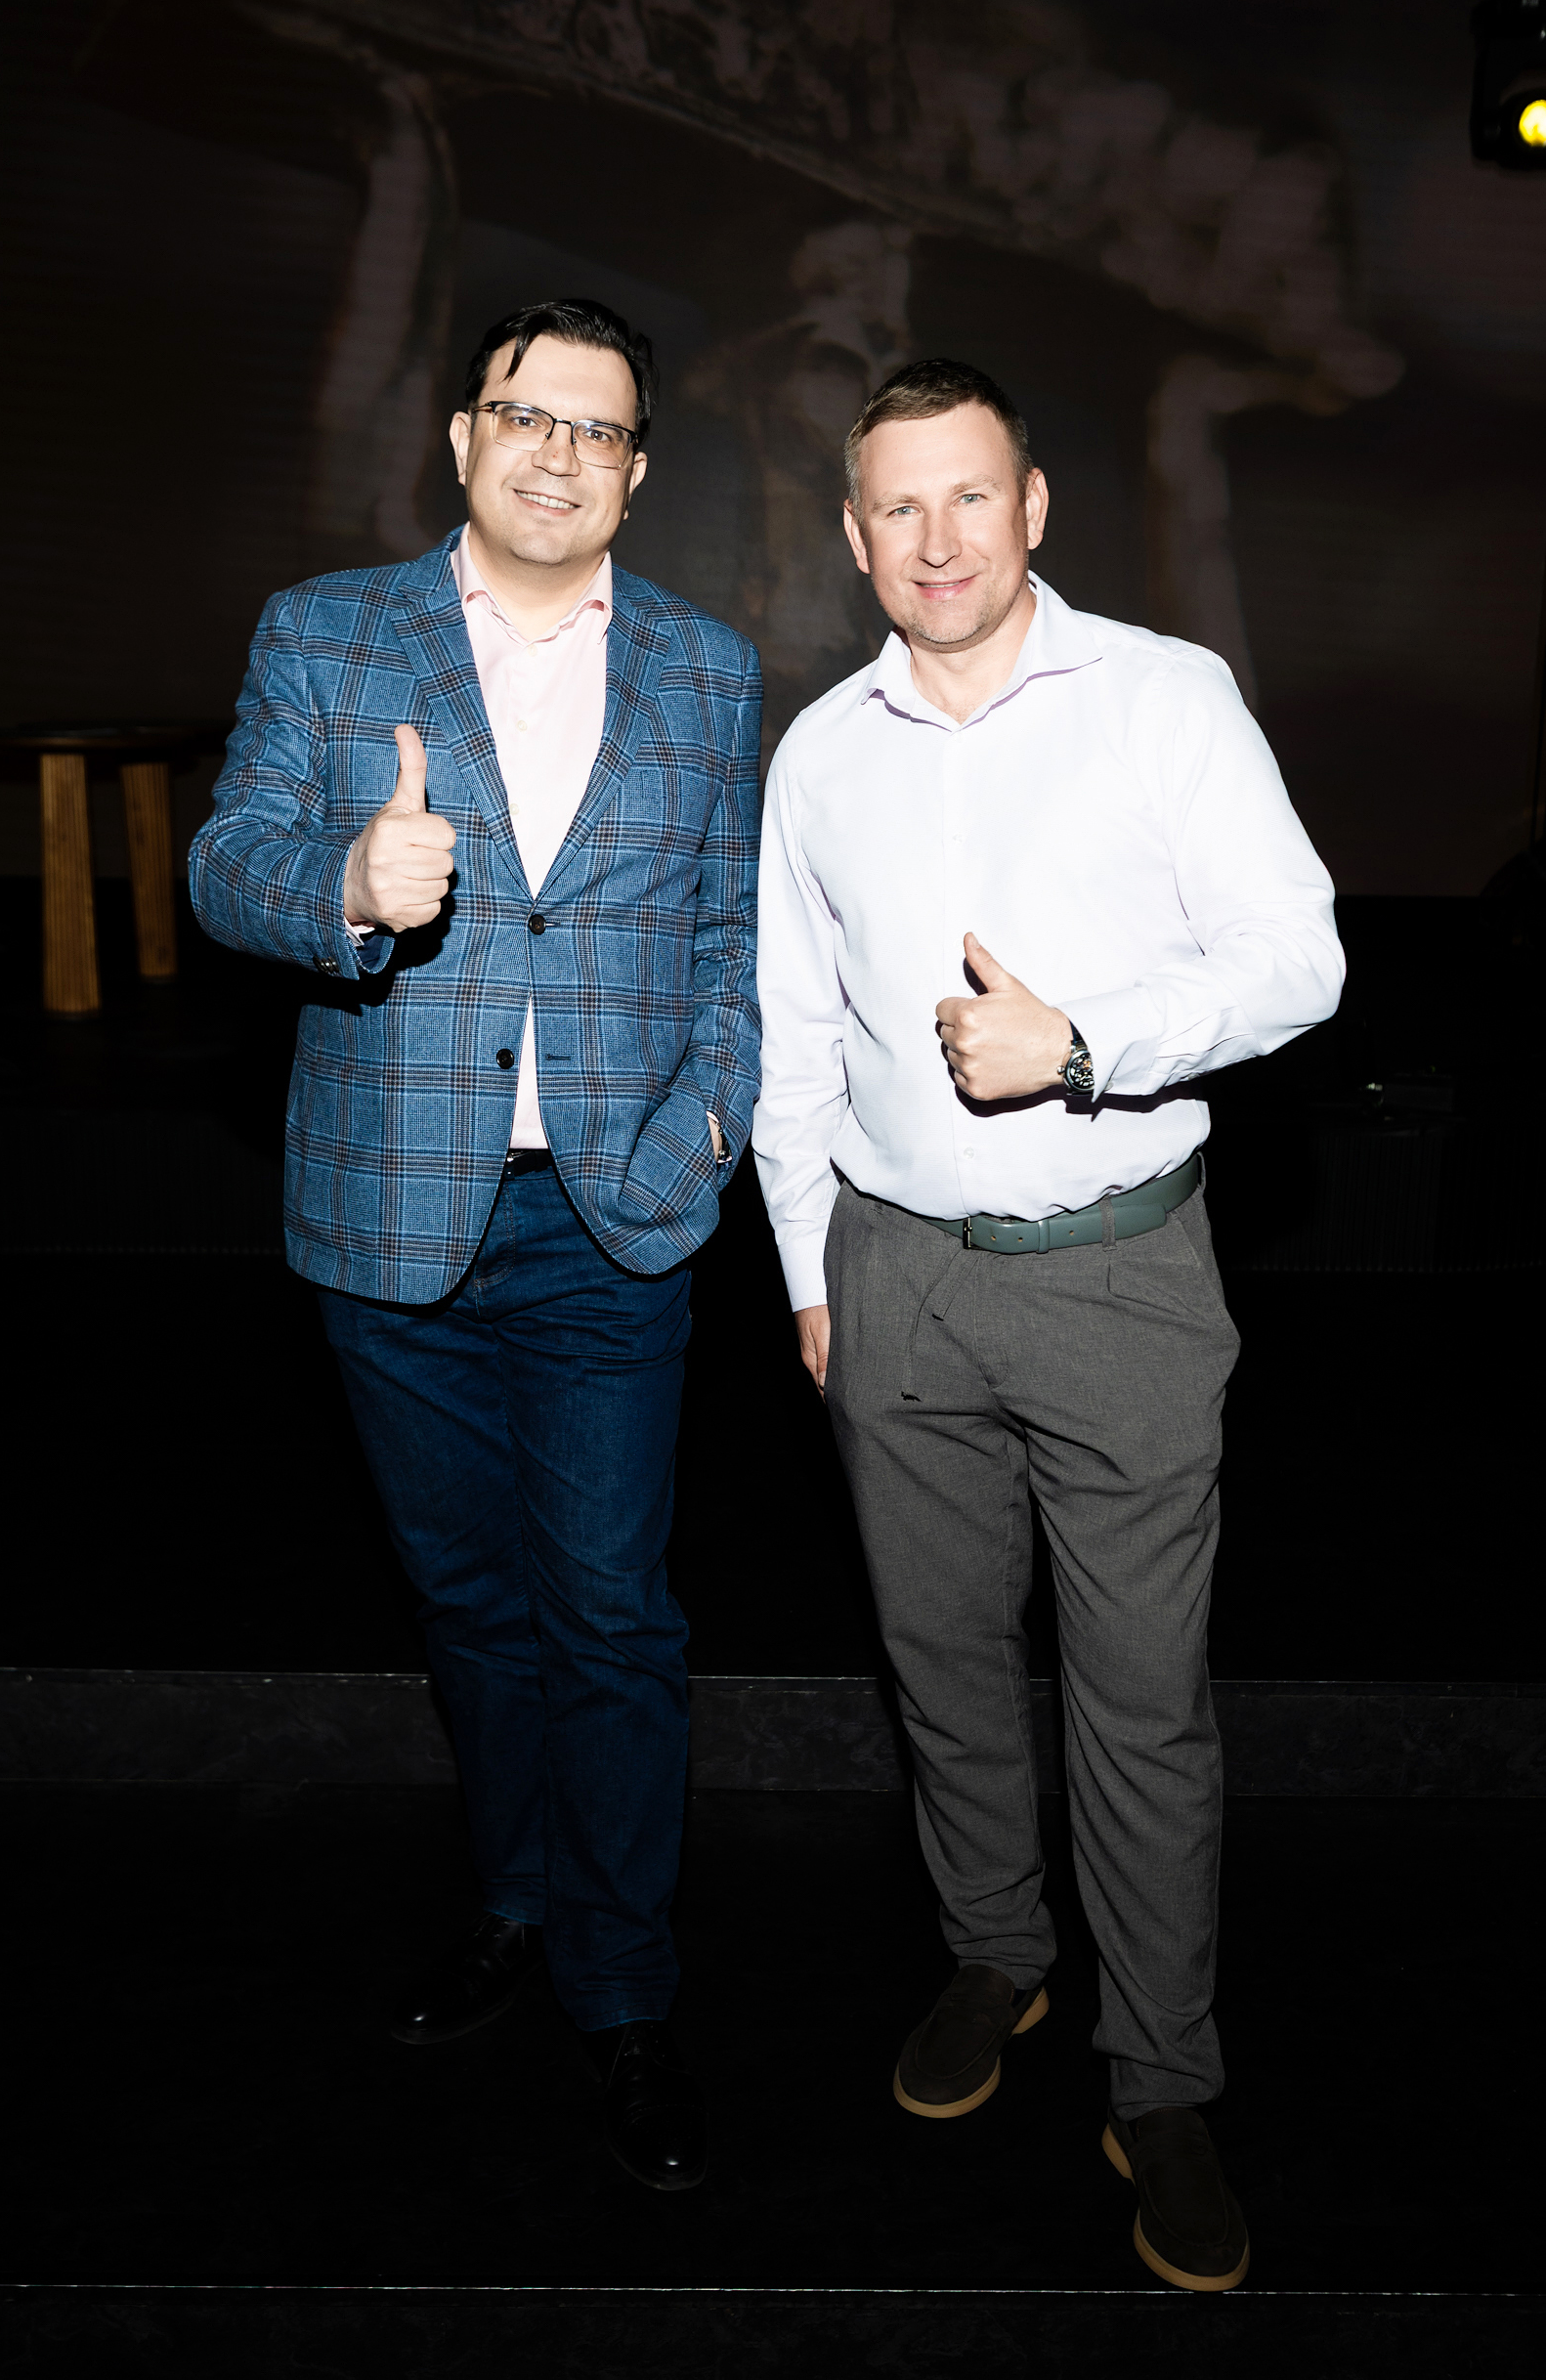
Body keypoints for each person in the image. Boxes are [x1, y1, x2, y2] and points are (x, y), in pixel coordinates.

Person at [752, 358, 1343, 2288]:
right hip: (895, 1279)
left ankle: (1159, 2075)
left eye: (967, 496)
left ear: (1031, 508)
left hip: (1118, 1279)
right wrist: (814, 1275)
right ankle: (995, 1952)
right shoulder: (819, 755)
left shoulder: (1165, 698)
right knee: (939, 1667)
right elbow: (794, 1039)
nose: (934, 539)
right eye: (895, 507)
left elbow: (1301, 957)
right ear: (857, 538)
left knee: (1140, 1706)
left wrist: (1083, 1043)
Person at [191, 298, 762, 2193]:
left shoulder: (708, 667)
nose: (557, 454)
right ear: (463, 437)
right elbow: (226, 860)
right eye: (527, 414)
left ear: (639, 472)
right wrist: (347, 884)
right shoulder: (327, 630)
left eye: (599, 431)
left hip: (612, 1219)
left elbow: (734, 939)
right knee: (470, 1604)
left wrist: (707, 1124)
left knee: (613, 1615)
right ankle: (515, 1897)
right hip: (392, 1211)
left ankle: (625, 1984)